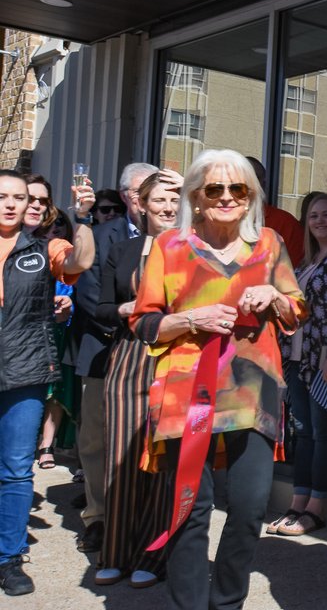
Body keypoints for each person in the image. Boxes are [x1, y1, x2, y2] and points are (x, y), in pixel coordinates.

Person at [130, 151, 304, 610]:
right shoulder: (170, 246)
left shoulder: (268, 243)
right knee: (190, 511)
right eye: (215, 189)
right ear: (196, 198)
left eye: (238, 189)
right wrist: (192, 318)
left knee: (249, 509)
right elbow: (145, 323)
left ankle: (226, 603)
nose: (227, 197)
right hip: (184, 394)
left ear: (251, 198)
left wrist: (274, 295)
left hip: (253, 393)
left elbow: (296, 308)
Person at [0, 169, 95, 596]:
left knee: (17, 470)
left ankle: (9, 558)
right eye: (2, 196)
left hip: (25, 370)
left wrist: (84, 218)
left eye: (19, 197)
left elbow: (81, 261)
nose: (11, 204)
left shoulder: (44, 247)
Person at [92, 171, 179, 588]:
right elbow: (102, 308)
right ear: (141, 205)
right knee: (122, 459)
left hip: (174, 361)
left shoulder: (191, 249)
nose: (167, 207)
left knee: (164, 464)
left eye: (174, 200)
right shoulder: (122, 250)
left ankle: (154, 555)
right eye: (159, 200)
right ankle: (115, 552)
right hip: (128, 359)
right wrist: (128, 310)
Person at [70, 160, 157, 554]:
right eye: (142, 193)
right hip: (105, 348)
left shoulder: (174, 239)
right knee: (95, 440)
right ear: (128, 197)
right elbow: (89, 293)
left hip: (154, 355)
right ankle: (99, 517)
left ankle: (139, 515)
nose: (151, 200)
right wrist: (128, 325)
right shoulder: (102, 234)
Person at [269, 192, 327, 538]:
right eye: (313, 216)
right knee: (306, 433)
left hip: (326, 359)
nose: (320, 221)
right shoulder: (307, 261)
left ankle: (316, 509)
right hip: (298, 359)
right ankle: (298, 503)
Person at [35, 211, 79, 468]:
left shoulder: (74, 260)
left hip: (65, 331)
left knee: (57, 391)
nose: (55, 228)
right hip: (33, 332)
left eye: (61, 223)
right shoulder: (29, 255)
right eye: (49, 224)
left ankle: (47, 445)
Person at [247, 156, 305, 265]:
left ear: (263, 185)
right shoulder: (217, 222)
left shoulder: (286, 224)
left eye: (255, 177)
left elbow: (296, 273)